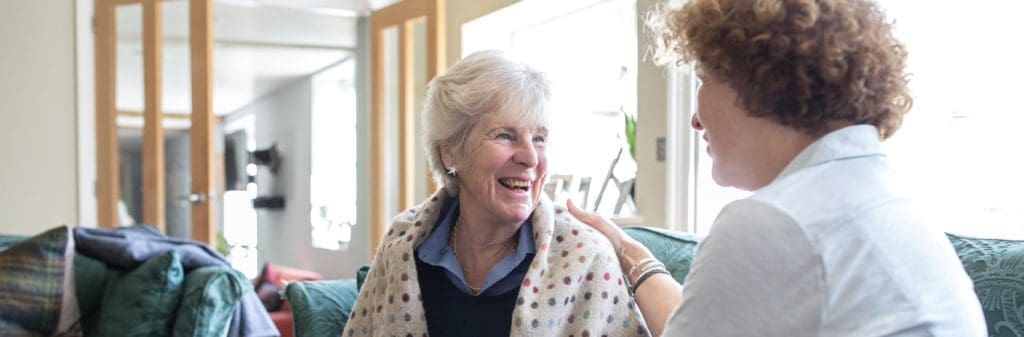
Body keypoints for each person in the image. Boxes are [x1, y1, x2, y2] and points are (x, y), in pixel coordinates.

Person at [567, 0, 988, 336]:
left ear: (761, 81)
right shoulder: (877, 199)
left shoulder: (775, 221)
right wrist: (628, 252)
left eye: (703, 78)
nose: (695, 119)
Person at [343, 50, 649, 337]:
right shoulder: (403, 242)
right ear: (450, 153)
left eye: (540, 138)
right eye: (505, 135)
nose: (530, 157)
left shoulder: (585, 255)